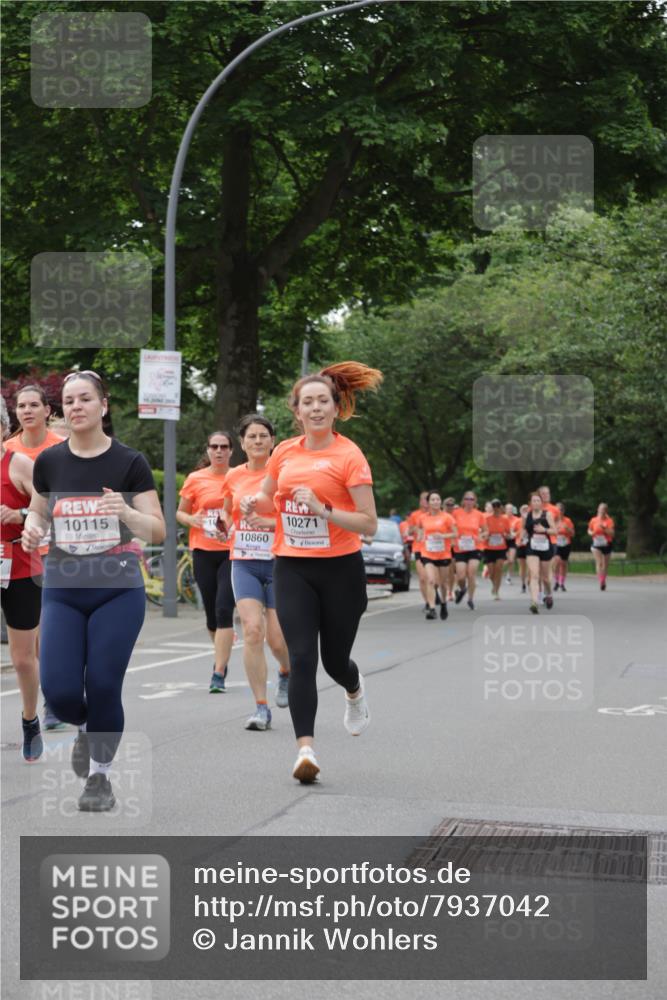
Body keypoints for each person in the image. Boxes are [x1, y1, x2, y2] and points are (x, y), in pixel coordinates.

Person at [22, 371, 165, 812]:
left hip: (116, 586)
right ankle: (88, 728)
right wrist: (32, 529)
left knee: (103, 684)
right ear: (61, 409)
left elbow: (158, 528)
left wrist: (125, 511)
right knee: (61, 692)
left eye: (86, 398)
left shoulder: (129, 461)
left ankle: (100, 778)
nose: (76, 406)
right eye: (69, 400)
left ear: (103, 405)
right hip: (63, 587)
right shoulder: (50, 461)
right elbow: (39, 512)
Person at [241, 362, 382, 784]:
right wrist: (253, 506)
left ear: (335, 409)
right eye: (308, 403)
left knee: (335, 661)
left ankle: (354, 690)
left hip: (341, 570)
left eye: (324, 401)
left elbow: (369, 524)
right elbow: (268, 499)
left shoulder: (349, 455)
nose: (316, 409)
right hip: (293, 567)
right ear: (297, 411)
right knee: (302, 657)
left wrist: (323, 510)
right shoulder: (284, 451)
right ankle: (306, 751)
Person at [220, 414, 290, 730]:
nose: (258, 441)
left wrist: (270, 524)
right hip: (244, 561)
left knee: (277, 639)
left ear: (272, 441)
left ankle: (286, 671)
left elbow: (294, 518)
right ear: (243, 443)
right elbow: (226, 511)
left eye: (263, 436)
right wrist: (224, 526)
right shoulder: (233, 476)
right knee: (251, 630)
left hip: (278, 562)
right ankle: (261, 708)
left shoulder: (284, 475)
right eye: (252, 436)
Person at [6, 384, 65, 730]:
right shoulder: (8, 450)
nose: (26, 411)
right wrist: (20, 517)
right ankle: (50, 700)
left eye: (33, 405)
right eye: (21, 406)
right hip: (22, 553)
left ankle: (57, 696)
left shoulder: (61, 448)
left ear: (47, 410)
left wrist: (29, 515)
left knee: (50, 632)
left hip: (60, 549)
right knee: (36, 632)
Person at [1, 398, 43, 762]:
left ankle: (30, 720)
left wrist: (21, 512)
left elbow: (51, 507)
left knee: (23, 659)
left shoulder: (19, 464)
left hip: (19, 566)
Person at [177, 431, 235, 692]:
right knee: (212, 615)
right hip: (202, 550)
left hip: (232, 552)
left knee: (224, 609)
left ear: (231, 451)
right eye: (214, 446)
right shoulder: (195, 479)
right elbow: (180, 512)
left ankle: (219, 672)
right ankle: (221, 647)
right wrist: (192, 520)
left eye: (224, 447)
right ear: (208, 450)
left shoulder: (238, 476)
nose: (219, 451)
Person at [419, 491, 457, 620]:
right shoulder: (423, 517)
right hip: (427, 553)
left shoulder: (447, 517)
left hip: (443, 554)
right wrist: (420, 536)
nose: (436, 502)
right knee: (431, 580)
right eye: (433, 500)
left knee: (442, 583)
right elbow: (420, 528)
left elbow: (455, 534)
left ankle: (444, 604)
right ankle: (432, 608)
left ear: (440, 502)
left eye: (438, 499)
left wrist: (443, 536)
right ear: (428, 502)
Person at [452, 491, 487, 610]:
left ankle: (470, 599)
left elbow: (486, 531)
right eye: (467, 499)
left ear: (475, 501)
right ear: (463, 501)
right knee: (461, 576)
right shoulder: (456, 513)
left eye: (471, 499)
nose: (469, 501)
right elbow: (450, 528)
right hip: (460, 548)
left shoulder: (479, 515)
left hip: (475, 547)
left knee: (471, 573)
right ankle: (462, 589)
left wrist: (481, 536)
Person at [523, 492, 557, 613]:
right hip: (532, 547)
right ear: (531, 503)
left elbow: (555, 531)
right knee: (534, 575)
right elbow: (525, 530)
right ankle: (534, 602)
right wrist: (522, 538)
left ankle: (549, 594)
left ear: (541, 503)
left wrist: (545, 530)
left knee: (546, 578)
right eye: (534, 501)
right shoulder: (528, 515)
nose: (536, 503)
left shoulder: (547, 514)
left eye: (538, 500)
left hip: (545, 548)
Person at [483, 499, 511, 600]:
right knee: (491, 572)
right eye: (494, 506)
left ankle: (496, 591)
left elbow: (508, 533)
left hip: (500, 548)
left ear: (501, 508)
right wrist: (486, 535)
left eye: (498, 506)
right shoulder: (486, 518)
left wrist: (508, 536)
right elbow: (482, 531)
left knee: (499, 569)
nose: (496, 508)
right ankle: (494, 585)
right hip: (488, 548)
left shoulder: (505, 519)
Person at [407, 492, 430, 610]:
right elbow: (409, 531)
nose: (426, 502)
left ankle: (433, 596)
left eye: (428, 499)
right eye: (424, 500)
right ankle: (428, 602)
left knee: (432, 578)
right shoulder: (415, 515)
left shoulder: (436, 515)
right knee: (422, 578)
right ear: (420, 502)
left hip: (433, 551)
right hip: (419, 548)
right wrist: (416, 528)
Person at [588, 503, 615, 590]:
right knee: (599, 562)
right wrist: (591, 533)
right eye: (600, 509)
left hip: (607, 543)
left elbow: (612, 534)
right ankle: (601, 582)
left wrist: (604, 529)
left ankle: (603, 579)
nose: (602, 511)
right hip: (596, 544)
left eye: (604, 510)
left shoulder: (609, 521)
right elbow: (589, 529)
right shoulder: (593, 520)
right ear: (598, 510)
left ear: (606, 511)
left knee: (605, 565)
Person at [554, 501, 575, 591]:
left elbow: (573, 534)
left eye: (561, 510)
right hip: (556, 543)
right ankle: (556, 582)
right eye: (558, 510)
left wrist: (568, 529)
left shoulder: (568, 521)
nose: (560, 511)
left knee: (564, 564)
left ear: (563, 511)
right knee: (557, 561)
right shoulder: (552, 521)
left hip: (566, 543)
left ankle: (562, 583)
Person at [443, 497, 457, 600]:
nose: (450, 507)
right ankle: (444, 588)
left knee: (451, 570)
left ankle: (450, 591)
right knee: (443, 571)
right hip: (440, 547)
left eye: (451, 505)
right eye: (448, 505)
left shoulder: (456, 516)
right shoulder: (440, 516)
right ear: (443, 505)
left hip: (453, 546)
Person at [514, 504, 529, 593]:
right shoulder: (517, 521)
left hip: (530, 545)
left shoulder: (532, 520)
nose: (525, 511)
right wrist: (516, 535)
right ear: (520, 511)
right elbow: (512, 531)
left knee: (530, 565)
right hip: (520, 545)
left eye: (527, 509)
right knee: (522, 566)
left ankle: (530, 581)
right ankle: (523, 584)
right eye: (523, 510)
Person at [504, 503, 518, 583]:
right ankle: (493, 570)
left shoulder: (516, 519)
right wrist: (504, 534)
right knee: (507, 559)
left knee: (511, 560)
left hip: (512, 541)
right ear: (505, 510)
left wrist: (515, 534)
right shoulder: (502, 518)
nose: (509, 510)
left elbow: (519, 530)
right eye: (508, 509)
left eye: (511, 509)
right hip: (503, 541)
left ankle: (508, 576)